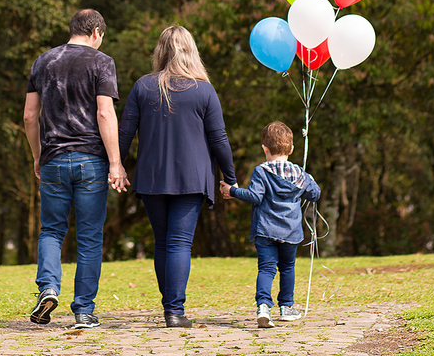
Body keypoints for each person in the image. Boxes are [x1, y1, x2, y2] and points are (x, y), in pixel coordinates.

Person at [118, 26, 237, 329]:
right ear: (191, 51)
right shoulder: (204, 90)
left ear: (160, 51)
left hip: (152, 176)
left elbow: (125, 133)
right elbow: (219, 139)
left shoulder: (143, 87)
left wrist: (115, 165)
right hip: (191, 177)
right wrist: (230, 179)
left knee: (162, 243)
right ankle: (174, 310)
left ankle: (169, 305)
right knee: (180, 243)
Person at [23, 9, 129, 330]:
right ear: (96, 32)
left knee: (52, 230)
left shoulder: (43, 61)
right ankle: (83, 311)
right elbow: (105, 114)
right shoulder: (101, 62)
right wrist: (115, 162)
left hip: (53, 159)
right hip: (91, 161)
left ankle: (49, 288)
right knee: (89, 237)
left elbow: (29, 116)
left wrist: (37, 155)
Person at [220, 121, 321, 328]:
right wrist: (308, 178)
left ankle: (264, 307)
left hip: (265, 230)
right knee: (287, 267)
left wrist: (232, 191)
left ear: (264, 148)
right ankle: (286, 307)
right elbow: (315, 194)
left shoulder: (261, 171)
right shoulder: (300, 174)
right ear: (291, 149)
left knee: (266, 269)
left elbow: (255, 197)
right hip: (290, 232)